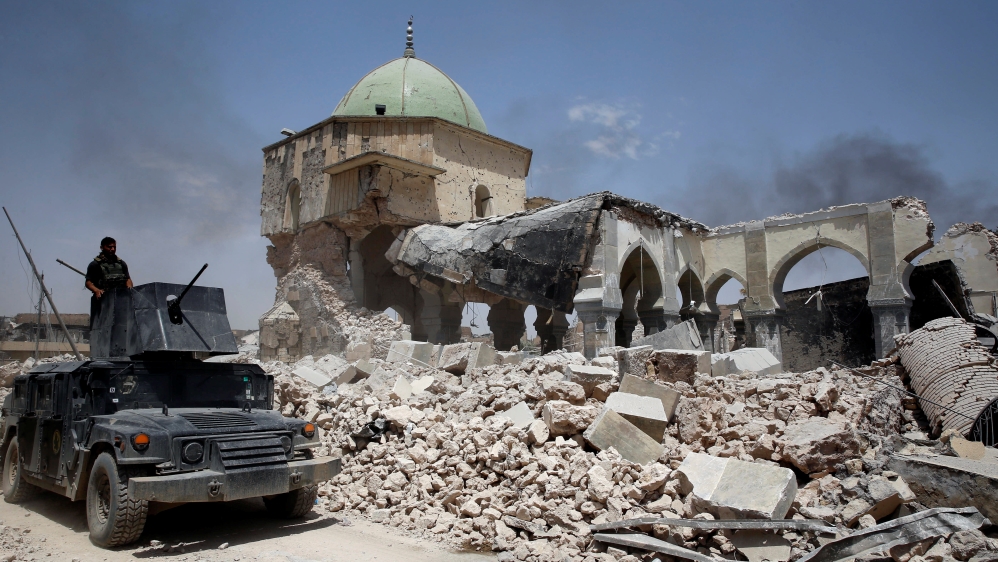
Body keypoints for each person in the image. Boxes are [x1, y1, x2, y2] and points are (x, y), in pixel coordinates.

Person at [85, 237, 132, 328]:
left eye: (114, 247)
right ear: (102, 247)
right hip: (104, 301)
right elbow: (88, 283)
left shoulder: (121, 264)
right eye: (109, 247)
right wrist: (96, 290)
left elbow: (128, 279)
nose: (112, 249)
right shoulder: (95, 265)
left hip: (121, 300)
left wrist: (130, 289)